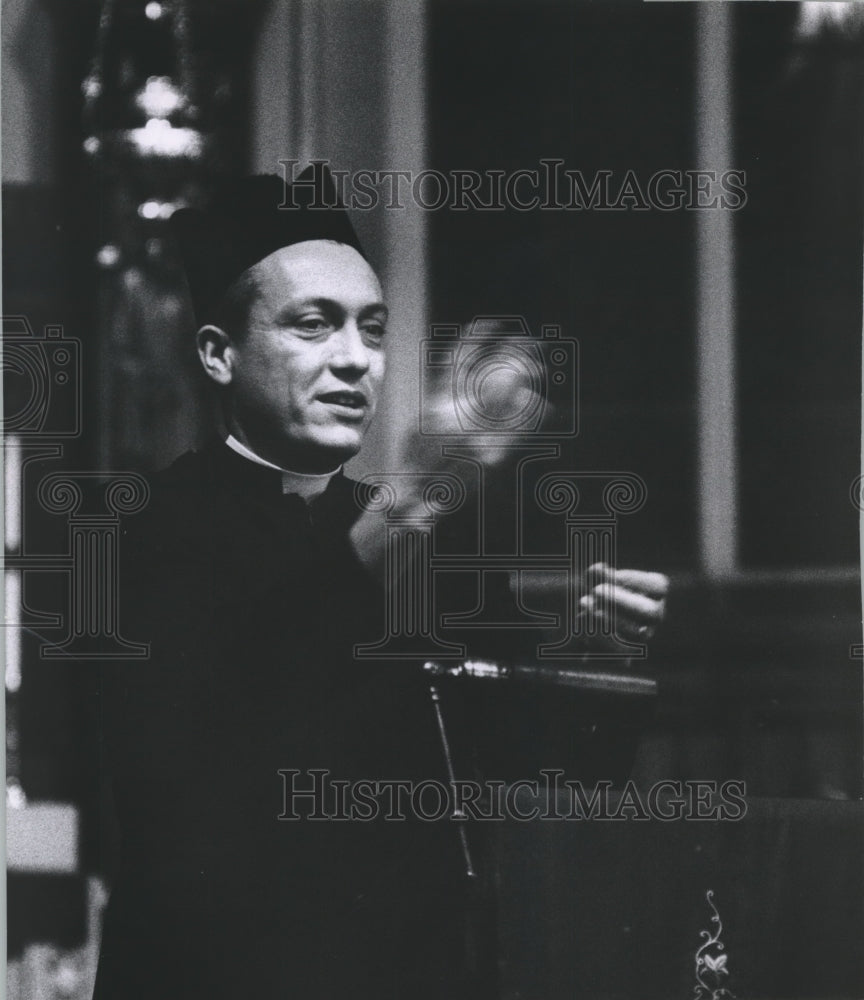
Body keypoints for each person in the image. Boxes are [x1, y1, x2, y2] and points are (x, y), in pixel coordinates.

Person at [93, 165, 667, 999]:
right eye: (314, 326)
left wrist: (584, 625)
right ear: (218, 355)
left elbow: (506, 716)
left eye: (373, 328)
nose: (356, 360)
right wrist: (418, 495)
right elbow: (263, 680)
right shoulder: (139, 530)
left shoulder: (390, 524)